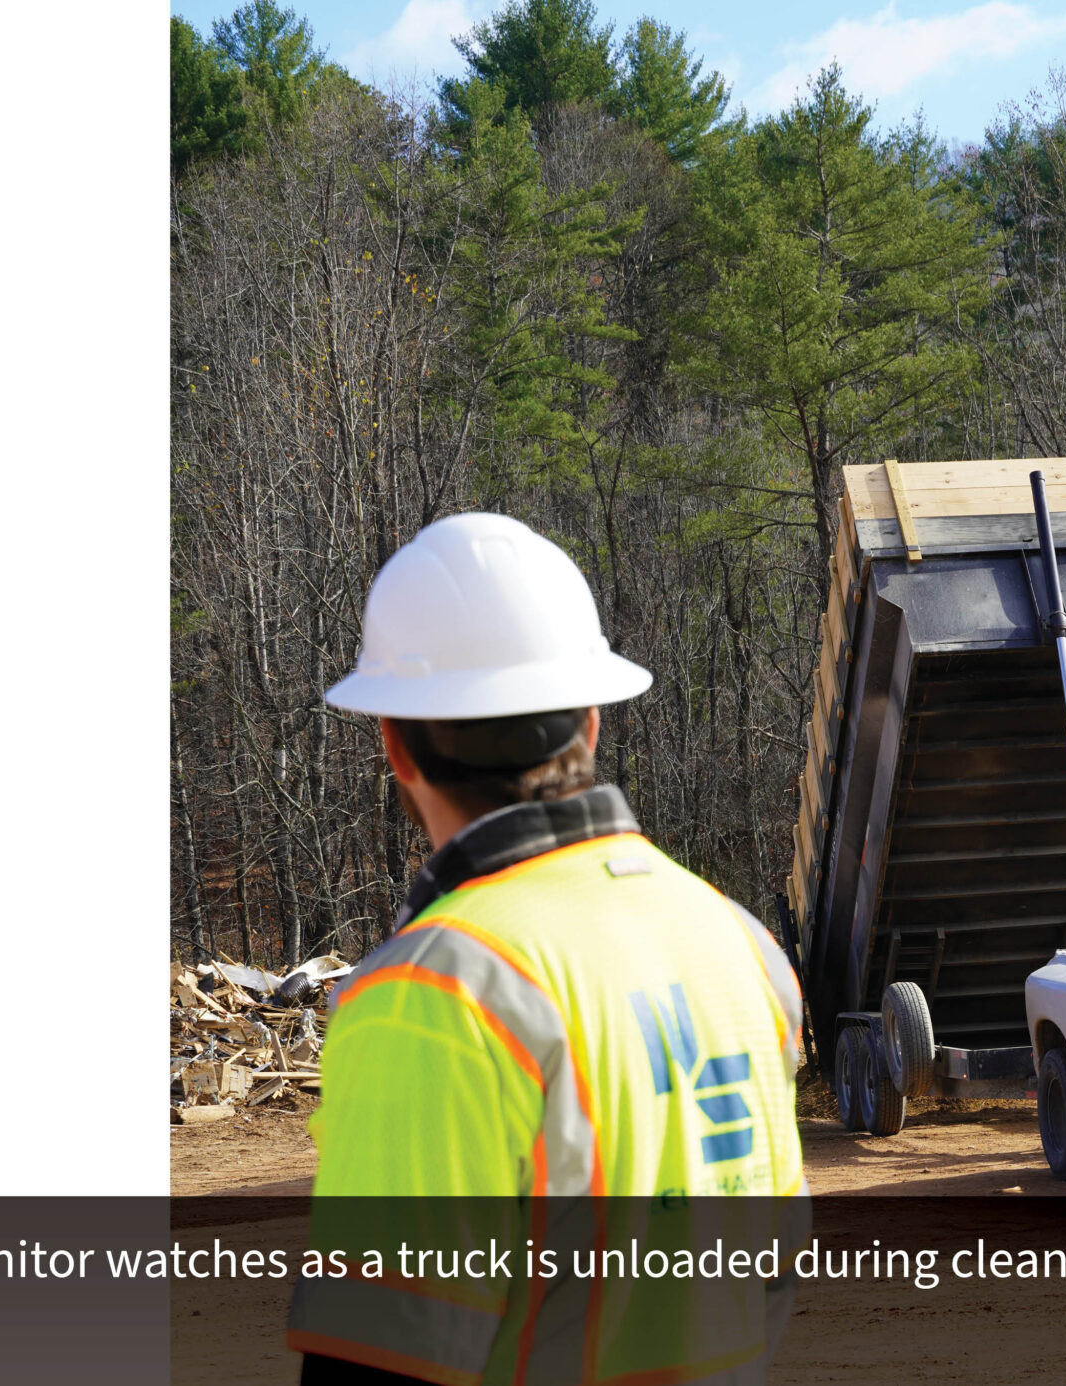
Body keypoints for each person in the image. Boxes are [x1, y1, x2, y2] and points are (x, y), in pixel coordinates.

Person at [286, 513, 806, 1386]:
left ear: (395, 745)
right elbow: (769, 1270)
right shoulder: (741, 947)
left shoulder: (437, 990)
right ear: (591, 722)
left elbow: (379, 1356)